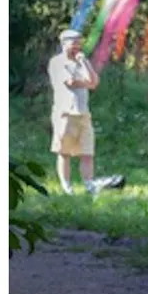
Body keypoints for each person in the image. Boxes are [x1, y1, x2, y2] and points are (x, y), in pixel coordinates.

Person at [47, 29, 101, 195]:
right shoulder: (57, 62)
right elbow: (70, 82)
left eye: (79, 42)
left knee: (87, 152)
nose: (77, 46)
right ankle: (66, 186)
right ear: (64, 44)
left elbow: (94, 82)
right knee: (64, 152)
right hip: (66, 113)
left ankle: (89, 185)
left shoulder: (81, 62)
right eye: (74, 42)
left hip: (83, 113)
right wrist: (86, 82)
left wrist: (85, 63)